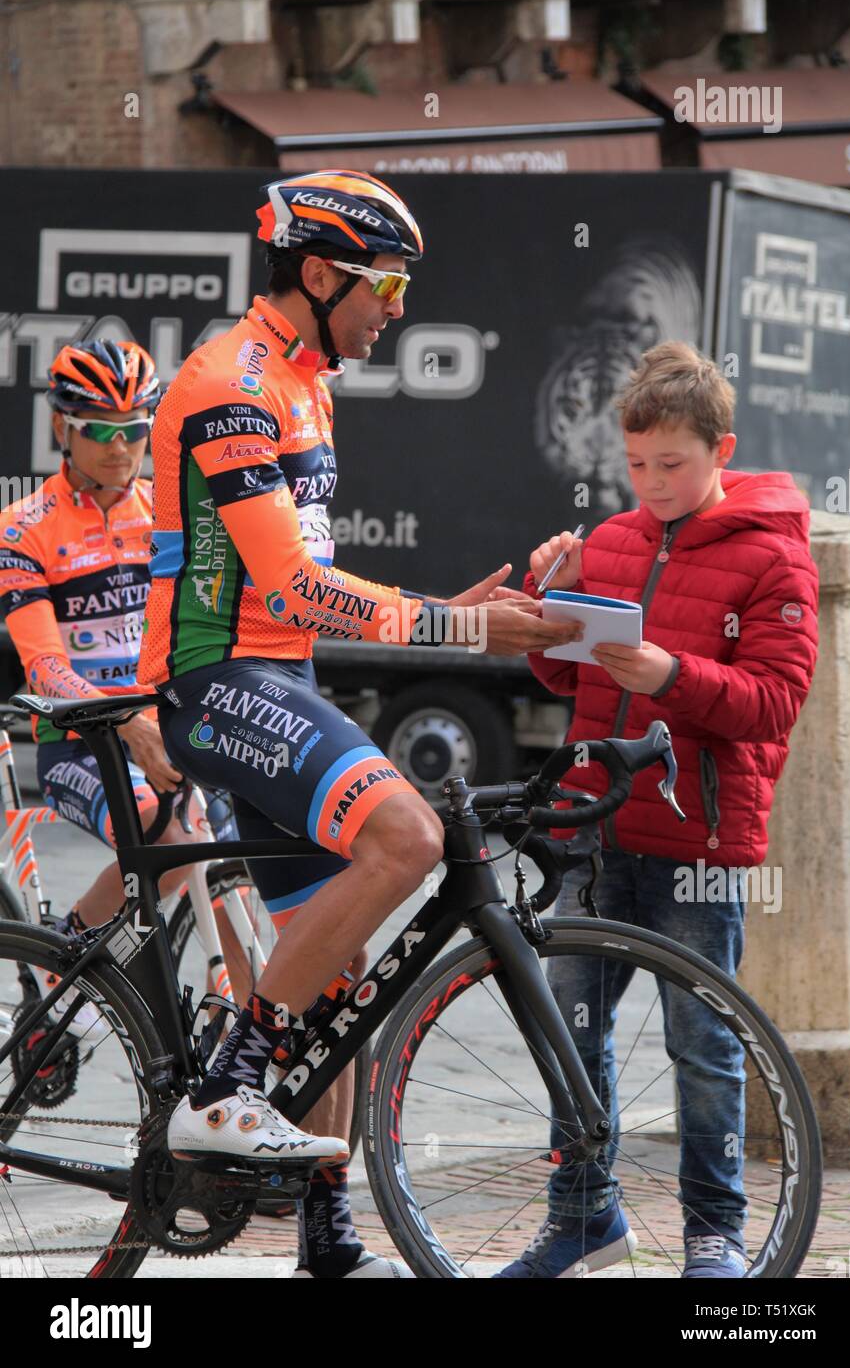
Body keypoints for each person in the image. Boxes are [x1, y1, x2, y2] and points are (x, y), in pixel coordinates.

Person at [136, 169, 574, 1279]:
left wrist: (451, 613)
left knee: (336, 982)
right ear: (319, 273)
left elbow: (312, 591)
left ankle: (325, 1235)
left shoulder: (308, 381)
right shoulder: (231, 382)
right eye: (383, 282)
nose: (397, 306)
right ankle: (229, 1089)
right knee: (409, 837)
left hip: (274, 680)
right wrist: (459, 636)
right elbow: (287, 590)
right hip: (214, 682)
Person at [496, 340, 819, 1280]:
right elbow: (565, 671)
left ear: (723, 449)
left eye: (671, 465)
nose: (651, 484)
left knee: (703, 1045)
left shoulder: (774, 558)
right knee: (570, 1034)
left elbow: (772, 702)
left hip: (699, 840)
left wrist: (674, 675)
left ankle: (715, 1237)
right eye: (636, 466)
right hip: (596, 825)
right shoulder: (613, 539)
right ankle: (582, 1220)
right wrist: (548, 605)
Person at [0, 341, 211, 981]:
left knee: (232, 867)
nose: (119, 448)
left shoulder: (172, 516)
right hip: (80, 740)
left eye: (135, 430)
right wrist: (128, 724)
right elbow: (46, 669)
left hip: (168, 730)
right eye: (98, 430)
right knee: (170, 848)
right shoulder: (21, 527)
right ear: (61, 425)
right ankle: (68, 961)